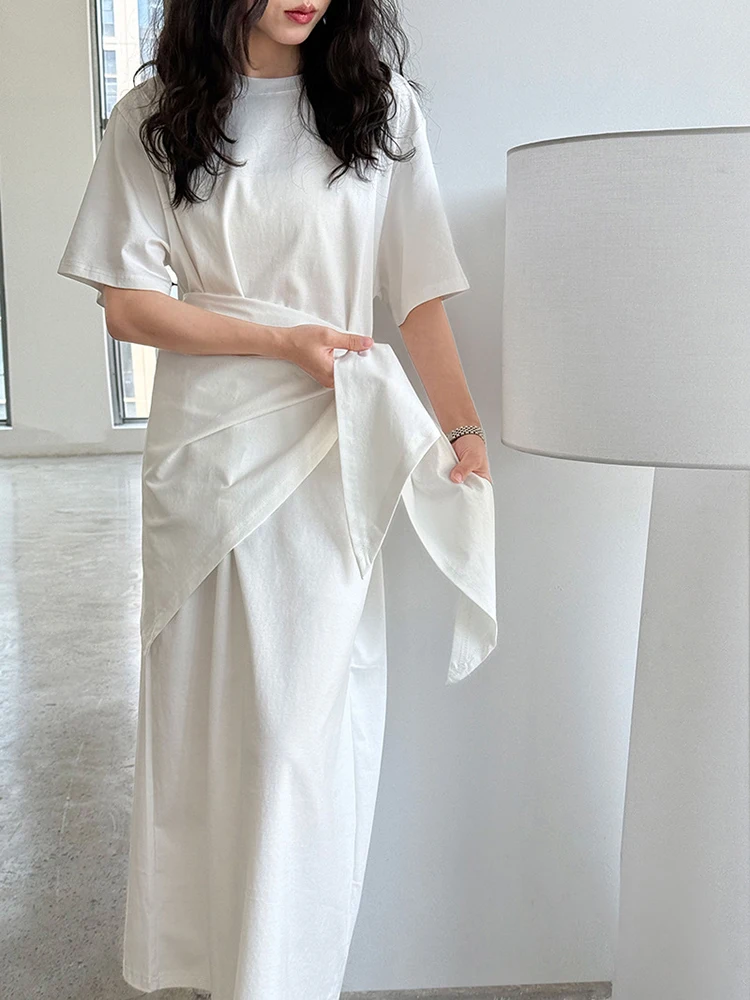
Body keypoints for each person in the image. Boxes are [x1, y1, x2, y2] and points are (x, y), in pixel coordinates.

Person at [57, 0, 498, 997]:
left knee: (301, 739)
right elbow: (127, 304)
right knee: (205, 729)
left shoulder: (377, 108)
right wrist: (279, 341)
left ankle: (281, 979)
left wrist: (463, 427)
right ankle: (208, 969)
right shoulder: (156, 115)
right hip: (205, 459)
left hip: (328, 450)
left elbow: (418, 289)